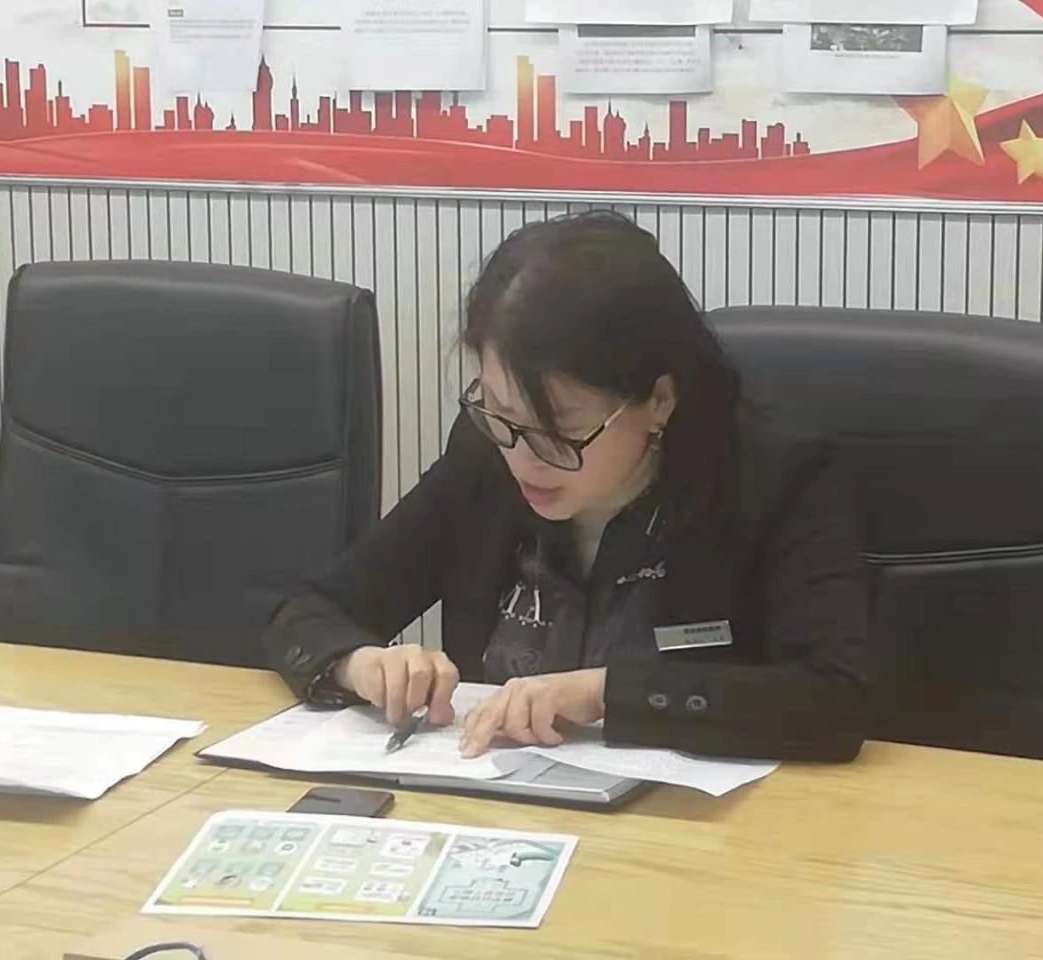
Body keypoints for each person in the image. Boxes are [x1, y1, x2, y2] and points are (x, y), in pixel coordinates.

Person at [262, 211, 867, 762]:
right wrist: (360, 664)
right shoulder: (485, 455)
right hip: (497, 803)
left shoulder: (771, 477)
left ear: (659, 400)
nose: (525, 459)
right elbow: (311, 612)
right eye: (500, 412)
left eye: (561, 430)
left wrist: (605, 693)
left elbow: (835, 700)